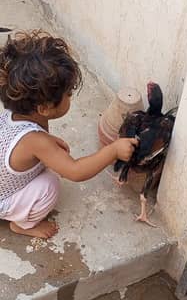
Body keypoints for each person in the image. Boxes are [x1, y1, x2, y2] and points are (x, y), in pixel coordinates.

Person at [0, 30, 137, 239]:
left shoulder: (16, 112)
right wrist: (112, 150)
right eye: (69, 94)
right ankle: (22, 224)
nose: (70, 97)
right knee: (49, 185)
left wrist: (47, 144)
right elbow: (75, 171)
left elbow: (21, 144)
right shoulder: (36, 141)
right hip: (4, 198)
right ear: (44, 108)